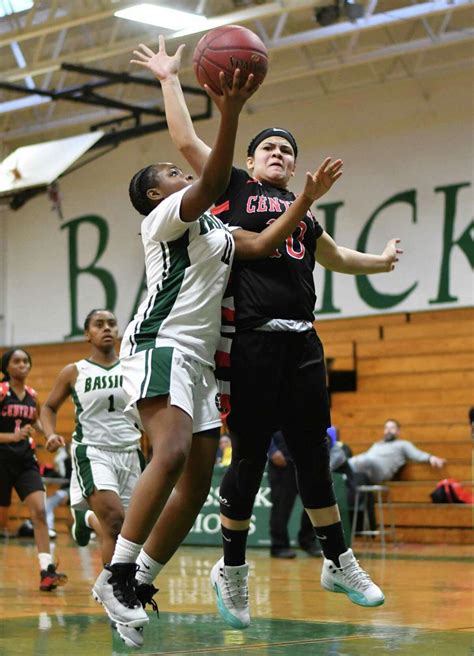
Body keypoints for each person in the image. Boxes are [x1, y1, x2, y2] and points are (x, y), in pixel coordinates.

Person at [90, 39, 344, 647]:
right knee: (172, 452)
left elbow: (258, 246)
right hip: (160, 344)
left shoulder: (216, 231)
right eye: (172, 177)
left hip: (201, 363)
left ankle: (139, 580)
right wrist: (219, 108)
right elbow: (204, 171)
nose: (182, 177)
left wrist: (305, 202)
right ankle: (115, 573)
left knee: (197, 479)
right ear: (158, 194)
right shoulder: (167, 216)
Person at [154, 40, 406, 628]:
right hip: (251, 341)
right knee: (247, 459)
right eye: (269, 147)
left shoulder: (303, 205)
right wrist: (170, 80)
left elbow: (337, 255)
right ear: (249, 156)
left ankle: (338, 559)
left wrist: (382, 261)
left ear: (294, 166)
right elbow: (187, 142)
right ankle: (232, 568)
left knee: (314, 453)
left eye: (286, 151)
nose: (278, 154)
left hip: (303, 341)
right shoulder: (232, 187)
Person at [41, 309, 145, 565]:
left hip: (131, 451)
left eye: (111, 323)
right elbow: (48, 408)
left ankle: (85, 518)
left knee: (130, 531)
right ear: (87, 334)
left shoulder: (134, 367)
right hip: (93, 451)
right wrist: (51, 433)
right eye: (99, 325)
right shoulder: (74, 371)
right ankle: (115, 591)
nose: (107, 328)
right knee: (114, 522)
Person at [0, 348, 68, 592]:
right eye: (17, 361)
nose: (22, 365)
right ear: (6, 367)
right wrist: (13, 436)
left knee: (39, 512)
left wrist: (50, 435)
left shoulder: (31, 394)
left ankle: (46, 572)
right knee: (2, 523)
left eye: (26, 361)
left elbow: (37, 422)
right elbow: (16, 432)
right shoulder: (1, 391)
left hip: (25, 462)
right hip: (2, 461)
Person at [267, 430, 321, 558]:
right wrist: (272, 451)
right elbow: (262, 428)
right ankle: (279, 546)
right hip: (282, 464)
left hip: (305, 462)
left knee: (315, 502)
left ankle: (307, 541)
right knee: (281, 507)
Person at [349, 419, 446, 484]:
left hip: (381, 473)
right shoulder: (377, 444)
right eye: (386, 428)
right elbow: (366, 456)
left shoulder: (403, 444)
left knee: (367, 460)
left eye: (392, 428)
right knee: (354, 461)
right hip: (367, 470)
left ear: (398, 431)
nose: (388, 430)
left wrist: (430, 457)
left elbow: (417, 454)